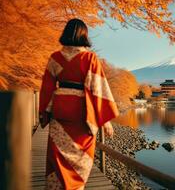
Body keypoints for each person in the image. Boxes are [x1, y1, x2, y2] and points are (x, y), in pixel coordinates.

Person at [39, 18, 119, 190]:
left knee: (58, 154)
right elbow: (97, 88)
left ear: (65, 33)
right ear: (84, 35)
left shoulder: (55, 58)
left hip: (60, 109)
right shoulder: (89, 58)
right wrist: (105, 119)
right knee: (81, 158)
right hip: (82, 112)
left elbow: (46, 88)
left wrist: (44, 114)